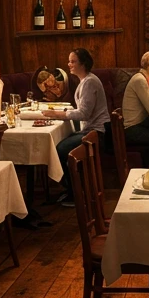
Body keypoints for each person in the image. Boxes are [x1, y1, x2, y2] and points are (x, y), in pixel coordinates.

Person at [43, 49, 111, 205]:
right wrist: (62, 112)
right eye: (69, 61)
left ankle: (75, 193)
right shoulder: (85, 80)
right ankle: (72, 190)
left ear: (83, 64)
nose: (69, 64)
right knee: (59, 145)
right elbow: (82, 111)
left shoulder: (90, 82)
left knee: (59, 149)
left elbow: (84, 114)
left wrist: (58, 114)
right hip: (90, 130)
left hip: (96, 133)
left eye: (73, 61)